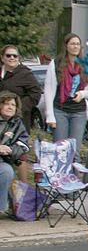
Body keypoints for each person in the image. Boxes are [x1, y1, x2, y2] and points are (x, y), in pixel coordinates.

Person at [43, 33, 88, 152]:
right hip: (60, 110)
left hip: (79, 111)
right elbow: (49, 90)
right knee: (60, 149)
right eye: (72, 44)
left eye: (77, 44)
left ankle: (75, 171)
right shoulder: (55, 64)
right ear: (66, 46)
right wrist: (50, 116)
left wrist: (82, 94)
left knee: (74, 150)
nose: (75, 46)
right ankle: (59, 171)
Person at [0, 47, 40, 183]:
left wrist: (18, 108)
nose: (12, 58)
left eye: (15, 56)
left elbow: (35, 94)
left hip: (18, 122)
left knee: (19, 154)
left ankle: (23, 193)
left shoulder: (25, 74)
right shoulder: (1, 74)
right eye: (8, 55)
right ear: (2, 58)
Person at [0, 91, 29, 216]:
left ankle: (1, 208)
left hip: (3, 161)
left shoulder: (17, 123)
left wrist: (10, 150)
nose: (10, 107)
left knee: (7, 171)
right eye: (6, 104)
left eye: (13, 104)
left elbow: (24, 145)